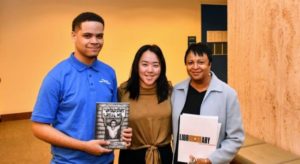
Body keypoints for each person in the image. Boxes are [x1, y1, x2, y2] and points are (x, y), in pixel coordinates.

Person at [31, 12, 132, 164]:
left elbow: (112, 116)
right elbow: (39, 127)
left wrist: (121, 133)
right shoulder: (56, 77)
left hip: (106, 160)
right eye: (87, 35)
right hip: (68, 161)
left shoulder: (109, 72)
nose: (95, 41)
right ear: (74, 36)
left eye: (99, 36)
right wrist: (84, 146)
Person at [172, 43, 244, 164]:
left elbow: (235, 138)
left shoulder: (228, 94)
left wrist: (211, 160)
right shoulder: (176, 91)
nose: (195, 67)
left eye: (201, 62)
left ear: (209, 64)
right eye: (190, 63)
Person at [118, 44, 173, 164]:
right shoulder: (123, 91)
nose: (150, 70)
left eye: (155, 65)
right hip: (131, 157)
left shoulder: (170, 91)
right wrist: (119, 135)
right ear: (136, 66)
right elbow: (111, 127)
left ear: (162, 68)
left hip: (164, 156)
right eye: (144, 64)